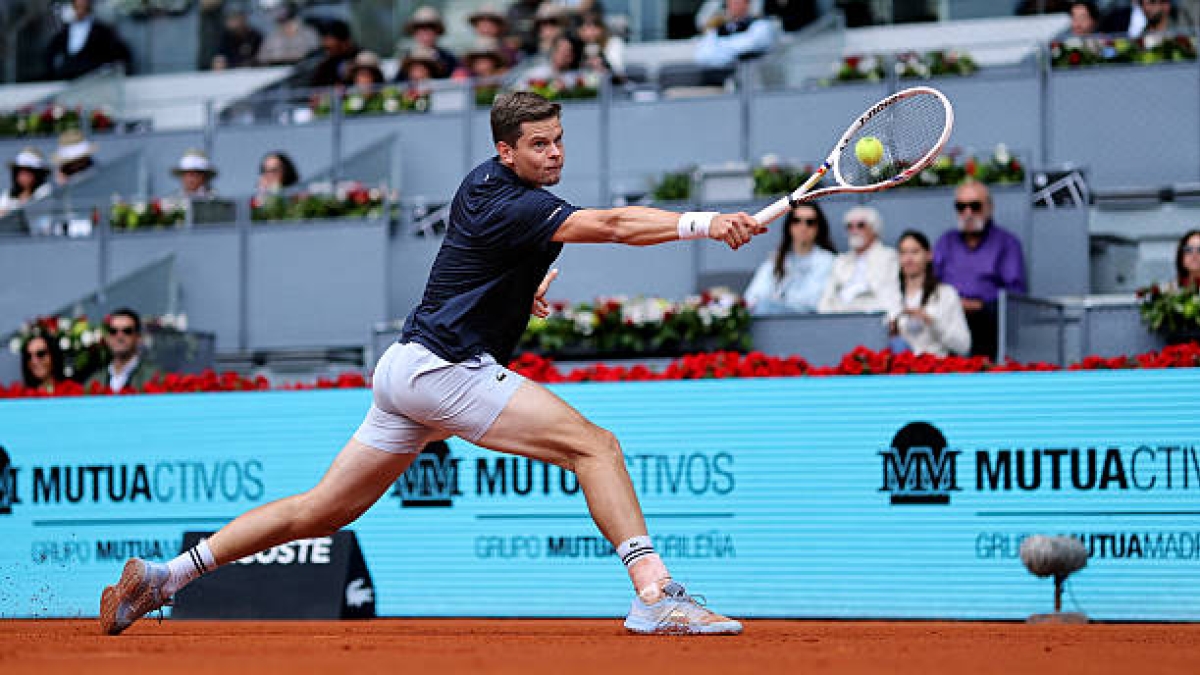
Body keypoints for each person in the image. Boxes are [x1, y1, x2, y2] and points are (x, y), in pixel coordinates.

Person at [99, 91, 766, 637]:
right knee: (597, 447)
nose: (555, 152)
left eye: (559, 140)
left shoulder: (482, 184)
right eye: (539, 144)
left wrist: (520, 290)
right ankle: (654, 594)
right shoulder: (521, 203)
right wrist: (704, 223)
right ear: (505, 150)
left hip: (404, 371)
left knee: (320, 512)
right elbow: (615, 226)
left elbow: (485, 262)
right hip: (445, 370)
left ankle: (165, 576)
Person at [933, 180, 1027, 361]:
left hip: (988, 321)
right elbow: (932, 283)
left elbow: (1015, 295)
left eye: (975, 206)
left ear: (989, 207)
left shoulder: (1006, 243)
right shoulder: (946, 242)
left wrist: (979, 305)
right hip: (949, 319)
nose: (968, 213)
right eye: (961, 207)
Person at [887, 230, 971, 357]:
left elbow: (964, 346)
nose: (908, 259)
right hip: (900, 367)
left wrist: (932, 322)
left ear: (929, 255)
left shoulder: (946, 294)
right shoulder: (891, 295)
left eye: (915, 252)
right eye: (903, 253)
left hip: (937, 365)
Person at [743, 201, 836, 315]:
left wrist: (774, 302)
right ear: (789, 226)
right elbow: (752, 296)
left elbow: (811, 301)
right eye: (796, 220)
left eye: (810, 222)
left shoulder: (827, 260)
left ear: (818, 227)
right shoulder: (777, 258)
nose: (803, 227)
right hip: (769, 316)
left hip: (806, 320)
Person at [818, 206, 899, 313]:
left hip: (870, 316)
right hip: (838, 316)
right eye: (849, 226)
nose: (854, 230)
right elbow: (826, 300)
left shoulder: (889, 257)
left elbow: (889, 298)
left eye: (860, 225)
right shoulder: (841, 261)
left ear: (874, 229)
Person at [45, 0, 132, 80]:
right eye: (77, 7)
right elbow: (51, 52)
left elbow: (119, 52)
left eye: (82, 7)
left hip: (92, 75)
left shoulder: (101, 30)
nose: (80, 10)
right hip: (68, 74)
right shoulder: (65, 31)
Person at [84, 308, 159, 394]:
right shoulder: (94, 381)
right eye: (113, 331)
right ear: (107, 338)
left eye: (127, 331)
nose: (119, 336)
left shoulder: (154, 378)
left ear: (138, 337)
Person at [694, 0, 777, 70]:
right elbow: (702, 56)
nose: (733, 6)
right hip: (723, 75)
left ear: (747, 3)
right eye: (730, 2)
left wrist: (720, 47)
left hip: (755, 74)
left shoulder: (760, 25)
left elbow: (747, 47)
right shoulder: (719, 28)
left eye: (737, 2)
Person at [399, 7, 458, 81]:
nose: (425, 32)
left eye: (430, 28)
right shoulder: (406, 58)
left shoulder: (448, 59)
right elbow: (397, 84)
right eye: (419, 28)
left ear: (437, 31)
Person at [0, 148, 53, 217]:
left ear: (38, 174)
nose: (23, 176)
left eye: (28, 172)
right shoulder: (7, 195)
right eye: (19, 171)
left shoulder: (45, 191)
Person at [310, 19, 359, 88]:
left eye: (330, 48)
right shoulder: (326, 65)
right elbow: (315, 88)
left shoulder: (361, 58)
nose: (327, 51)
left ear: (345, 42)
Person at [577, 12, 625, 78]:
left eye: (592, 29)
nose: (589, 33)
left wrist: (602, 63)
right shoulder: (581, 46)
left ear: (601, 29)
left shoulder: (614, 42)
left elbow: (617, 69)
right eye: (584, 30)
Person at [1101, 0, 1175, 37]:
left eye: (1152, 2)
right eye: (1142, 3)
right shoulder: (1140, 35)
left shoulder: (1176, 32)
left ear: (1166, 5)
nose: (1146, 8)